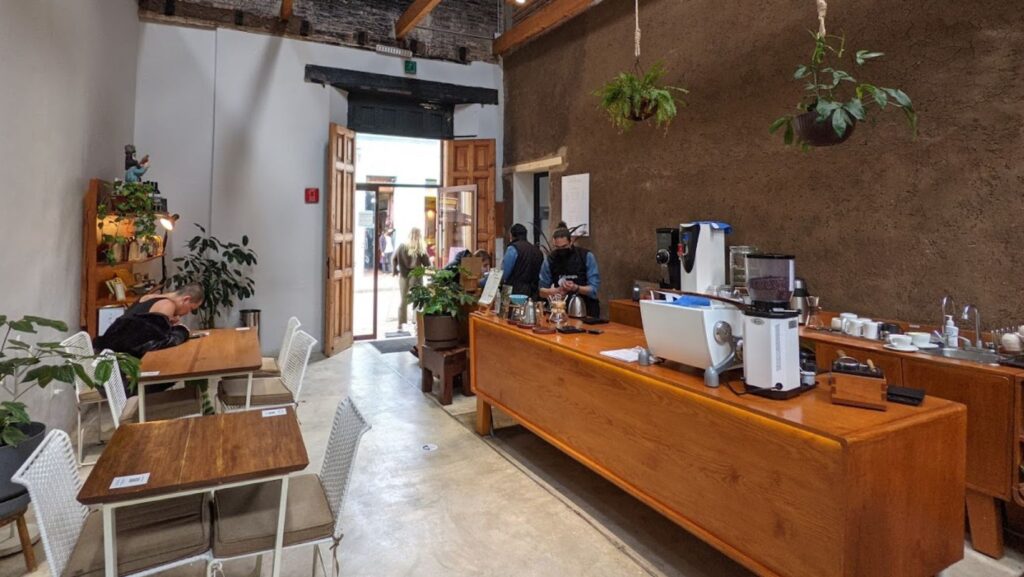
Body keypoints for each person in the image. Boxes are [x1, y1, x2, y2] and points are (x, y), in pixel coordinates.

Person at [94, 284, 204, 358]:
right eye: (191, 308)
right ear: (186, 299)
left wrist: (168, 324)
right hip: (125, 361)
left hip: (108, 351)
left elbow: (143, 330)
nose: (188, 312)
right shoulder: (167, 305)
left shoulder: (149, 297)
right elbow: (160, 343)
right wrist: (182, 331)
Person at [539, 226, 602, 317]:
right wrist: (557, 291)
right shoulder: (551, 260)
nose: (561, 250)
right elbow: (542, 291)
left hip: (586, 309)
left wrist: (576, 288)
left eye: (564, 246)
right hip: (560, 310)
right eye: (557, 247)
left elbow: (594, 290)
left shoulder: (586, 256)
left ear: (571, 241)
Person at [393, 227, 432, 329]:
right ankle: (416, 323)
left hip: (403, 276)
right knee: (417, 300)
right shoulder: (420, 249)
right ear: (420, 236)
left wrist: (395, 271)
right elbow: (427, 264)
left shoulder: (401, 247)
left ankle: (400, 324)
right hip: (416, 277)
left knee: (403, 300)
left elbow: (393, 258)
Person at [501, 223, 544, 298]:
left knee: (514, 309)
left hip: (514, 292)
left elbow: (504, 274)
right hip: (533, 292)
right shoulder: (538, 251)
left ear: (511, 235)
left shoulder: (513, 249)